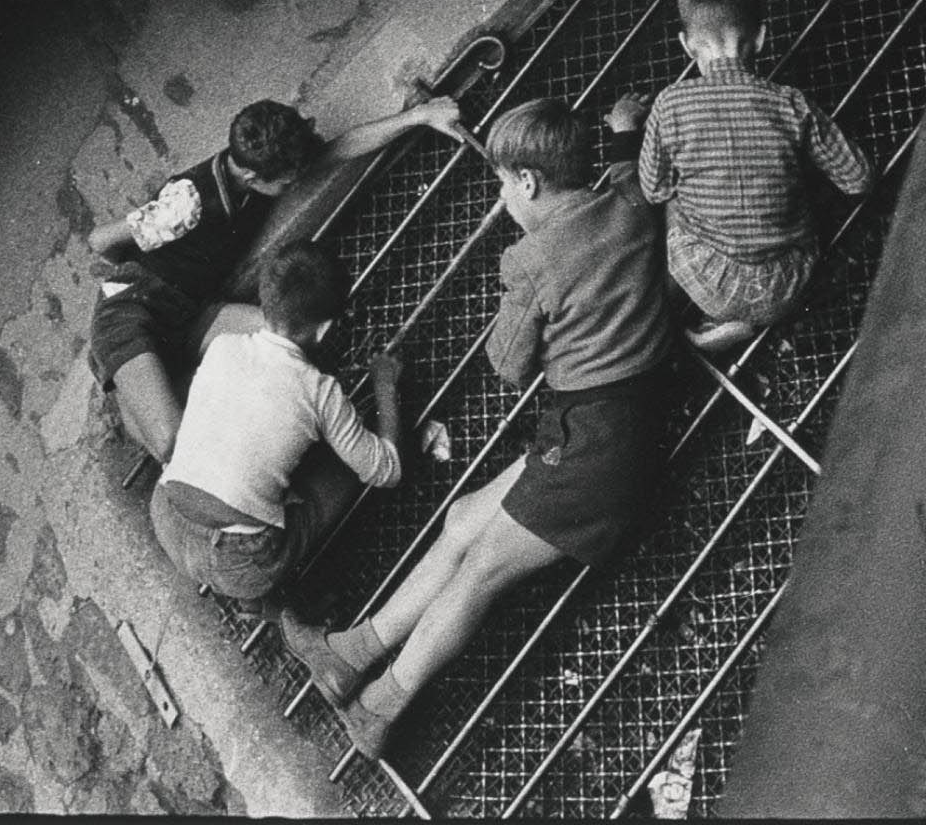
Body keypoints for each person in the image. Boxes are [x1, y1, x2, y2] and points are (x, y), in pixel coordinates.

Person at [278, 95, 676, 766]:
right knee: (464, 520)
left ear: (527, 182)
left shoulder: (532, 259)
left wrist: (519, 300)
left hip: (591, 451)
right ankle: (350, 655)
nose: (500, 193)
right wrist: (624, 130)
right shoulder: (632, 208)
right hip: (604, 426)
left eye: (500, 179)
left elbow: (507, 365)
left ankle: (381, 709)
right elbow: (631, 173)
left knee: (480, 572)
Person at [86, 91, 464, 463]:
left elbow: (339, 149)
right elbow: (100, 240)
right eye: (287, 182)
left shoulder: (262, 168)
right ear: (251, 176)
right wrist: (137, 266)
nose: (295, 185)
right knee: (169, 442)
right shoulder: (185, 205)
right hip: (134, 311)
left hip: (190, 313)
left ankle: (140, 383)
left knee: (288, 337)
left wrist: (420, 115)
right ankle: (121, 377)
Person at [622, 0, 872, 354]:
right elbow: (859, 180)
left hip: (710, 281)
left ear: (687, 46)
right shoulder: (791, 102)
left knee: (674, 200)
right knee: (801, 183)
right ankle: (753, 320)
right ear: (760, 38)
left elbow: (655, 190)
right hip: (788, 281)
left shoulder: (670, 103)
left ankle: (704, 319)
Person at [148, 239, 404, 603]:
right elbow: (386, 471)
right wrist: (385, 387)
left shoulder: (224, 345)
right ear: (324, 330)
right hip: (236, 565)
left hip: (166, 515)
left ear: (264, 303)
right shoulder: (321, 392)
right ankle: (276, 601)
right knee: (343, 470)